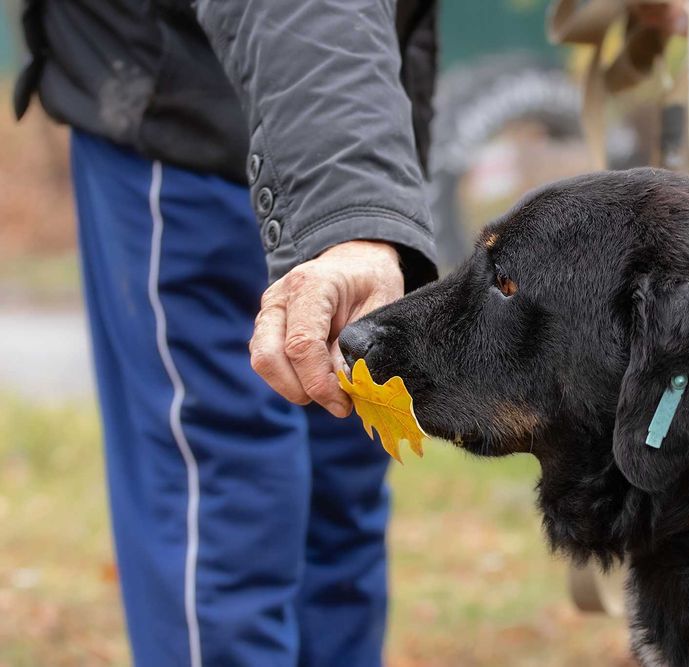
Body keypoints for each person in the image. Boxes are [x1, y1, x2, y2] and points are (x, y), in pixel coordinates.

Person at [14, 1, 437, 665]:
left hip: (365, 118)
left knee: (339, 486)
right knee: (221, 509)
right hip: (180, 114)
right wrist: (353, 217)